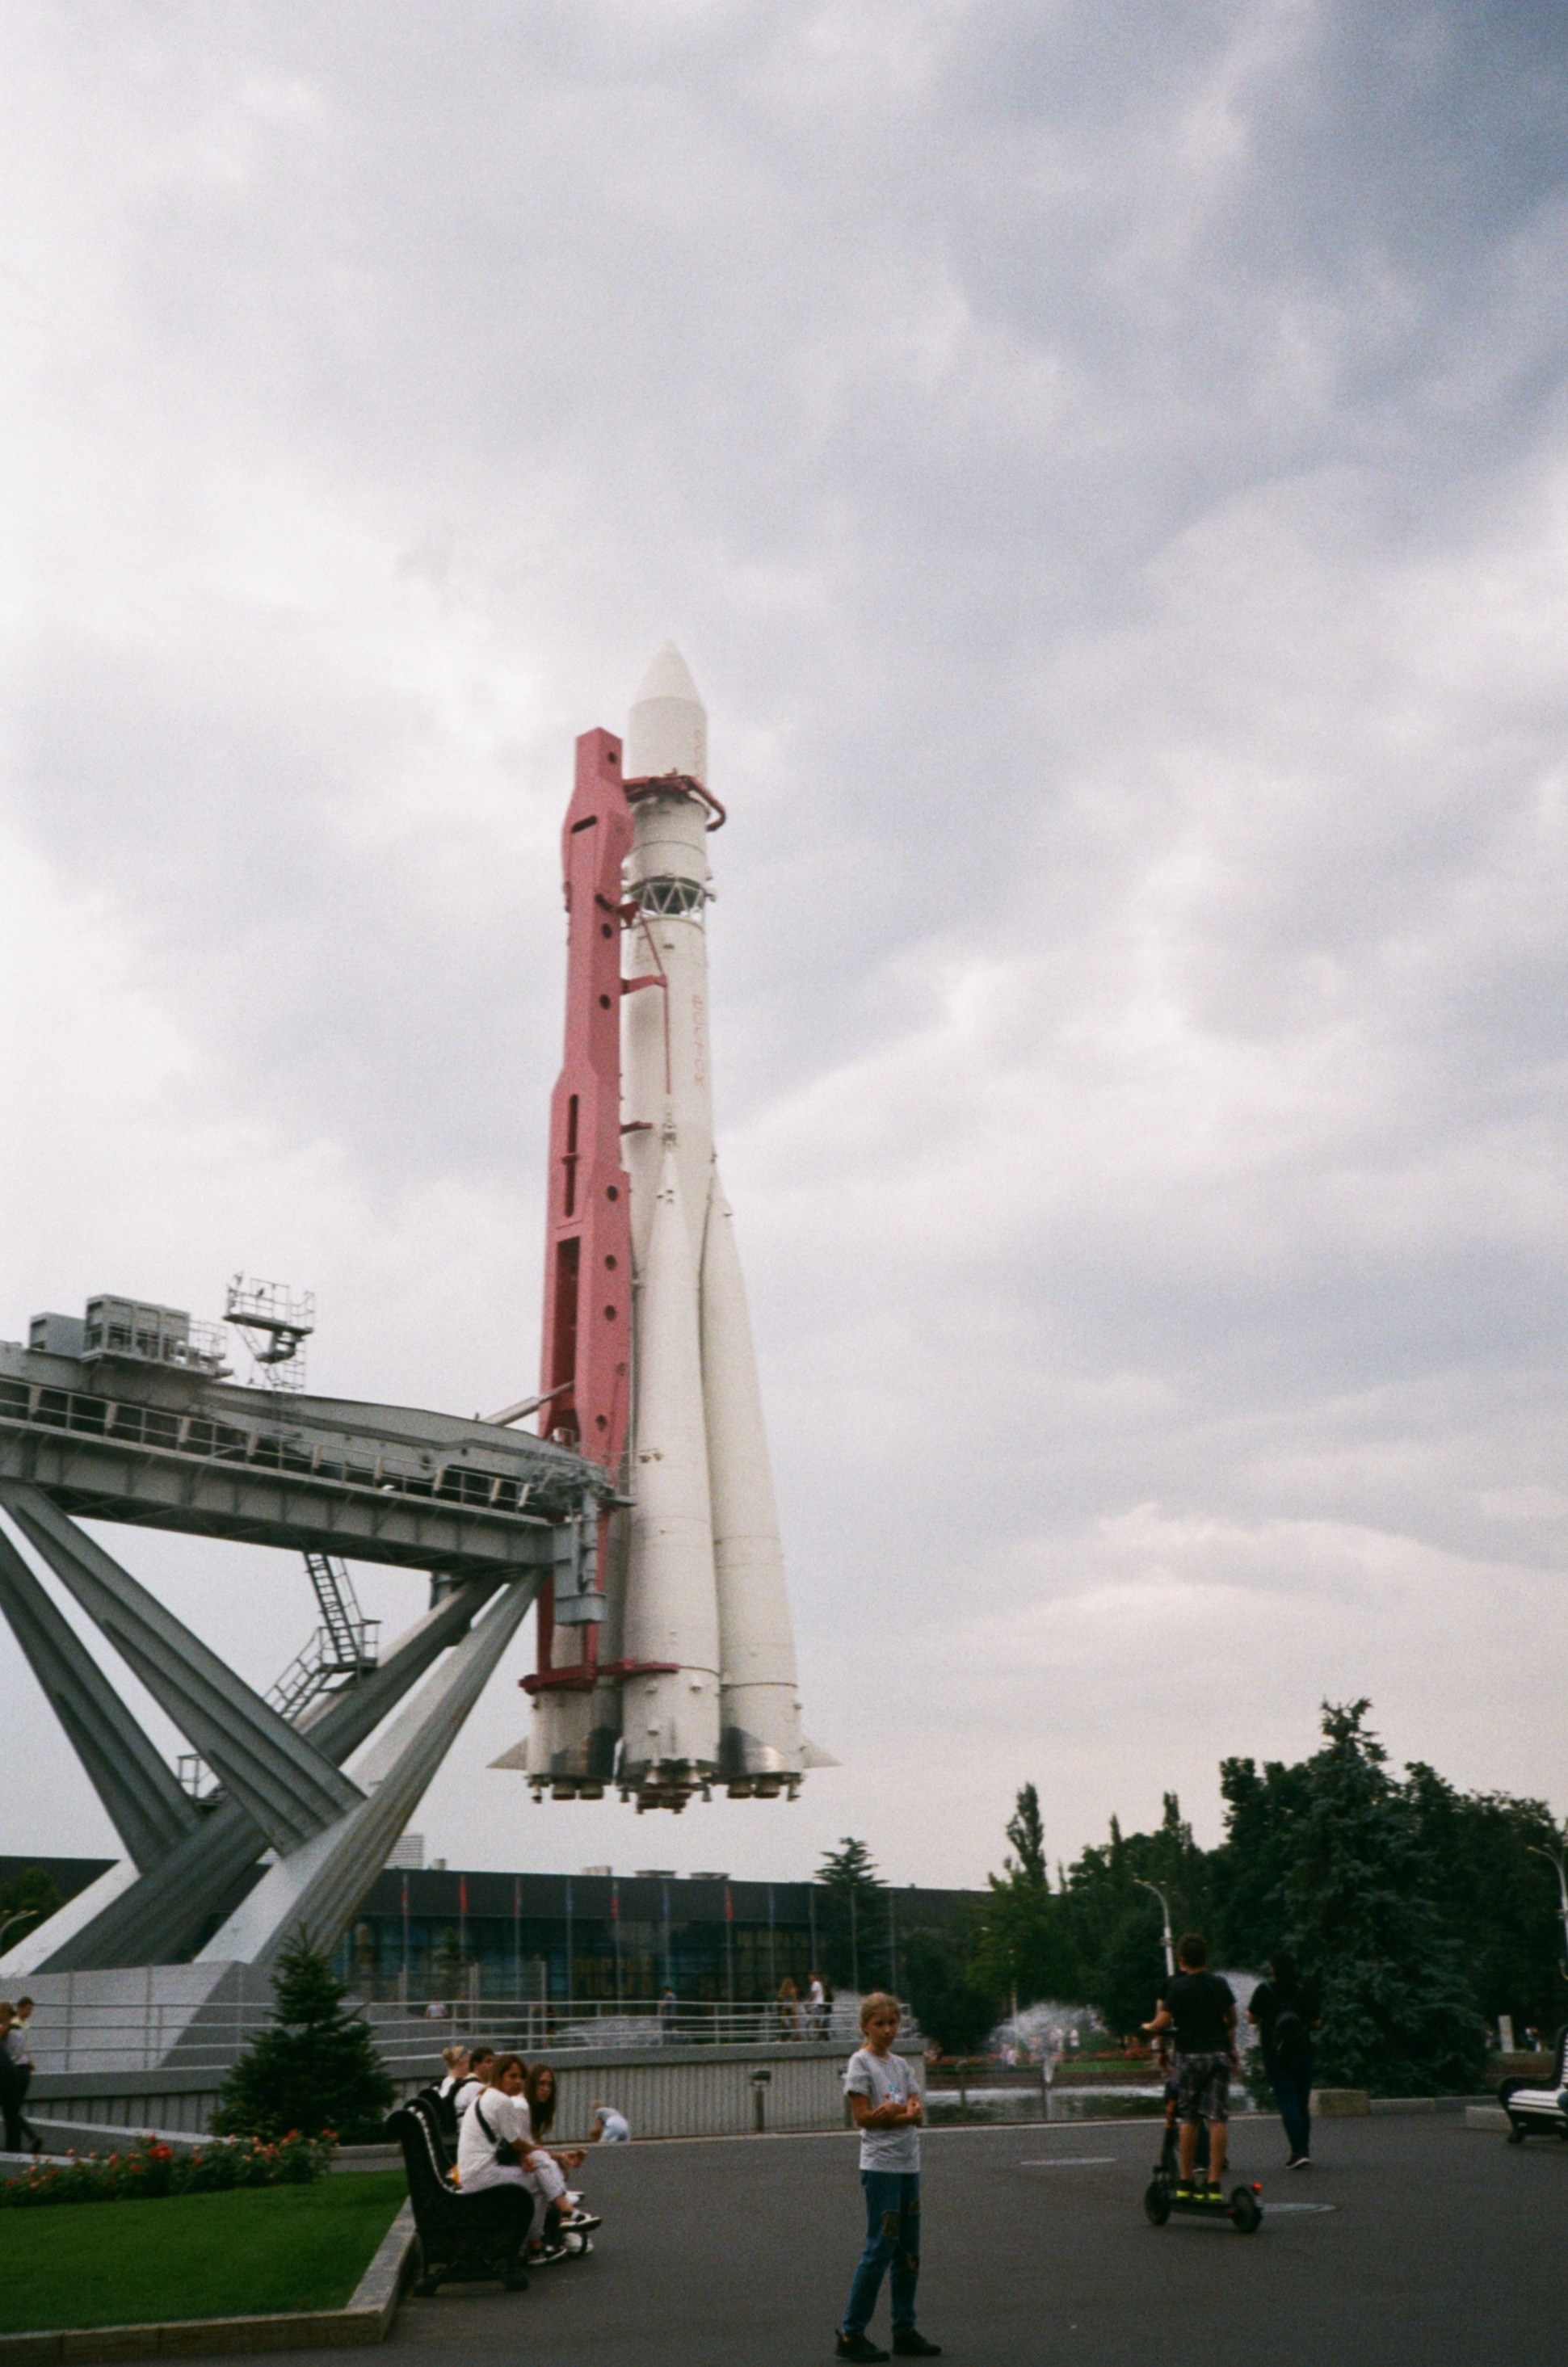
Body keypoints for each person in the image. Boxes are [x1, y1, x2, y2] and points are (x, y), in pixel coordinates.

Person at [836, 1991, 940, 2364]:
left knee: (908, 2251)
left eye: (892, 2022)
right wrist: (902, 2115)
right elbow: (862, 2116)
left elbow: (916, 2105)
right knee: (880, 2245)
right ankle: (851, 2332)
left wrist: (905, 2111)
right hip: (880, 2166)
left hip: (908, 2163)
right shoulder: (860, 2063)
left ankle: (904, 2329)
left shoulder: (900, 2065)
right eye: (879, 2024)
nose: (887, 2030)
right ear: (865, 2026)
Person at [1143, 1933, 1236, 2200]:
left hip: (1190, 2056)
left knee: (1190, 2118)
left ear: (1180, 1958)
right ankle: (1214, 2184)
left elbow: (1162, 2021)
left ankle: (1184, 2182)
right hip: (1217, 2055)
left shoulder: (1179, 1987)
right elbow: (1232, 2019)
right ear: (1205, 1957)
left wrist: (1147, 2027)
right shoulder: (1219, 1984)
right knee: (1217, 2118)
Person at [456, 2054, 571, 2264]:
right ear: (499, 2076)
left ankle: (539, 2237)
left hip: (473, 2174)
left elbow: (511, 2145)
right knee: (539, 2181)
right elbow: (517, 2142)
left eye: (521, 2077)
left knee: (538, 2168)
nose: (518, 2082)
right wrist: (536, 2151)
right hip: (483, 2176)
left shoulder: (486, 2096)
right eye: (512, 2076)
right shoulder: (502, 2101)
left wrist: (527, 2155)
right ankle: (535, 2243)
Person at [1247, 1951, 1318, 2168]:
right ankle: (1304, 2150)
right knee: (1301, 2103)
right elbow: (1316, 2022)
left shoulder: (1264, 1990)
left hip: (1276, 2054)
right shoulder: (1302, 1991)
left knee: (1287, 2102)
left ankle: (1297, 2152)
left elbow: (1251, 2017)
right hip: (1302, 2052)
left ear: (1273, 1970)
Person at [778, 1976, 801, 2040]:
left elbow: (780, 1999)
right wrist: (794, 2007)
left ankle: (782, 2036)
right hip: (791, 2007)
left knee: (783, 2021)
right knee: (795, 2022)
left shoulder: (782, 1991)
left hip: (785, 2008)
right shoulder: (793, 1990)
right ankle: (797, 2036)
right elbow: (794, 2000)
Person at [808, 1972, 827, 2041]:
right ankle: (821, 2036)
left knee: (815, 2020)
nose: (810, 1978)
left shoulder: (815, 1984)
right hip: (821, 2004)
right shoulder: (819, 1984)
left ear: (814, 1976)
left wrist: (809, 2003)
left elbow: (814, 1995)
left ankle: (816, 2036)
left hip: (816, 2005)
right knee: (819, 2021)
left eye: (811, 1976)